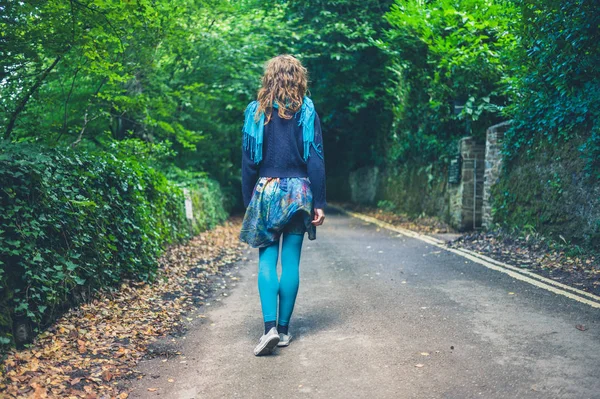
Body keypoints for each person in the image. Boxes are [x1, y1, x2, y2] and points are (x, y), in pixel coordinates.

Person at [239, 54, 326, 356]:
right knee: (291, 262)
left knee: (266, 260)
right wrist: (319, 201)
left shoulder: (256, 113)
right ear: (299, 77)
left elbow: (249, 164)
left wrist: (249, 200)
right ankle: (285, 331)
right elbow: (315, 159)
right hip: (299, 192)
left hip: (267, 191)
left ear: (269, 77)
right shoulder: (307, 112)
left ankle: (269, 329)